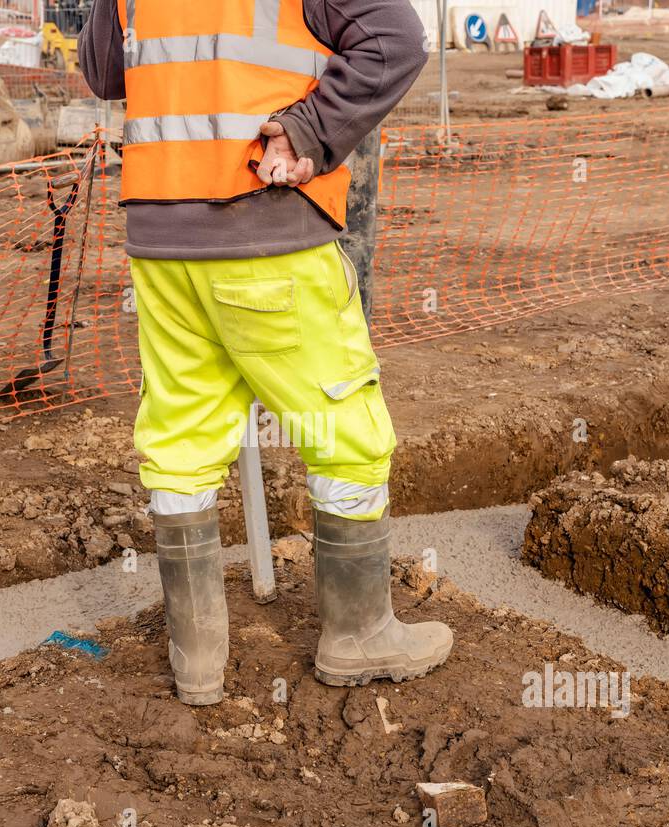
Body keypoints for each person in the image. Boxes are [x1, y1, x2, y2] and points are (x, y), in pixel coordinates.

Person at [80, 0, 452, 704]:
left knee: (182, 437)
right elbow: (398, 39)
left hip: (161, 242)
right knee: (345, 431)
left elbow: (104, 71)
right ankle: (358, 632)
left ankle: (197, 662)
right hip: (266, 227)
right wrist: (312, 129)